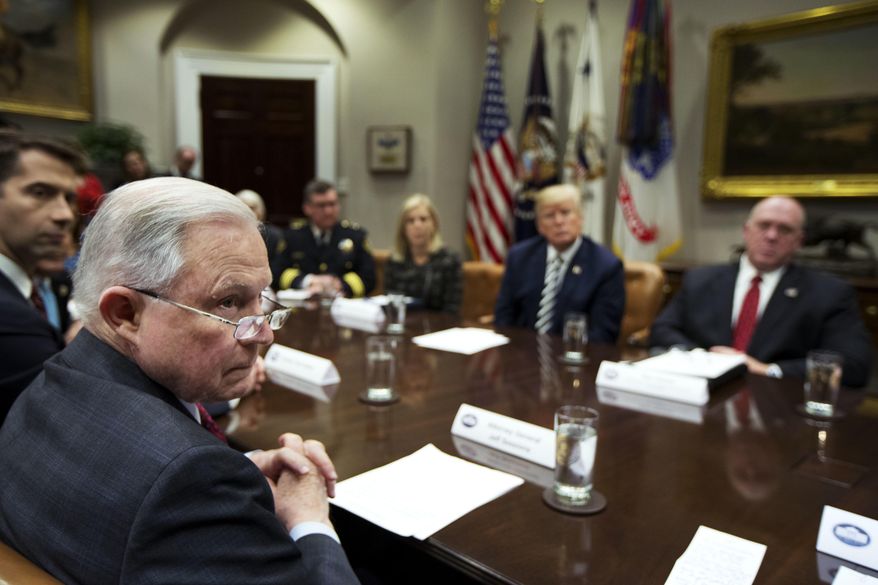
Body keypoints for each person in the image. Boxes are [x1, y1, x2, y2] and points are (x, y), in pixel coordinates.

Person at [0, 177, 359, 584]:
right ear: (125, 313)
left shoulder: (51, 383)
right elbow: (169, 482)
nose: (264, 333)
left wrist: (237, 471)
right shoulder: (188, 479)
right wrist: (309, 520)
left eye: (262, 298)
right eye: (229, 302)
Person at [650, 196, 872, 387]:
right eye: (764, 225)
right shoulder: (701, 279)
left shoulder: (829, 293)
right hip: (704, 392)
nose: (772, 236)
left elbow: (854, 365)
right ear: (747, 231)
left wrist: (770, 370)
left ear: (799, 241)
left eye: (784, 229)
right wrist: (702, 359)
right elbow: (662, 329)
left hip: (778, 406)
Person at [0, 130, 85, 424]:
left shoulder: (27, 290)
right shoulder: (8, 316)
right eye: (40, 193)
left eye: (68, 197)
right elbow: (66, 416)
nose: (65, 214)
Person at [494, 184, 625, 343]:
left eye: (565, 212)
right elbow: (503, 317)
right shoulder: (520, 257)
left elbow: (603, 334)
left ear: (580, 217)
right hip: (521, 353)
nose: (558, 221)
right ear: (539, 225)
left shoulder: (605, 266)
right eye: (549, 215)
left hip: (574, 357)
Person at [272, 179, 375, 298]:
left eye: (332, 204)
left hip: (344, 305)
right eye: (321, 205)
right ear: (307, 208)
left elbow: (369, 277)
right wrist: (308, 281)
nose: (328, 211)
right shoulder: (292, 236)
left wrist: (339, 284)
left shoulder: (355, 236)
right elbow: (277, 273)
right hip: (302, 307)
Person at [385, 193, 462, 313]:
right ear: (403, 228)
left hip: (438, 329)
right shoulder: (395, 260)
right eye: (410, 221)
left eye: (423, 219)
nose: (417, 225)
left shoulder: (449, 260)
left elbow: (451, 310)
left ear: (434, 224)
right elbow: (390, 303)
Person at [237, 188, 286, 268]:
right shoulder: (227, 236)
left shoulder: (274, 236)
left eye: (252, 208)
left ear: (261, 210)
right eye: (243, 207)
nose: (247, 211)